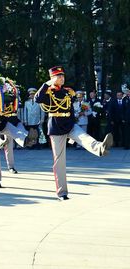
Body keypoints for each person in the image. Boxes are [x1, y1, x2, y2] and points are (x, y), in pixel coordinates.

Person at [35, 66, 113, 201]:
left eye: (62, 76)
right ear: (52, 78)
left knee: (84, 136)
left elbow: (70, 108)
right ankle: (62, 192)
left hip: (69, 123)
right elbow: (37, 99)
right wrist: (47, 84)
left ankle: (100, 148)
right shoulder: (47, 92)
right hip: (55, 127)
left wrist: (73, 122)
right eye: (58, 76)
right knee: (59, 161)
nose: (62, 78)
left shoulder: (68, 92)